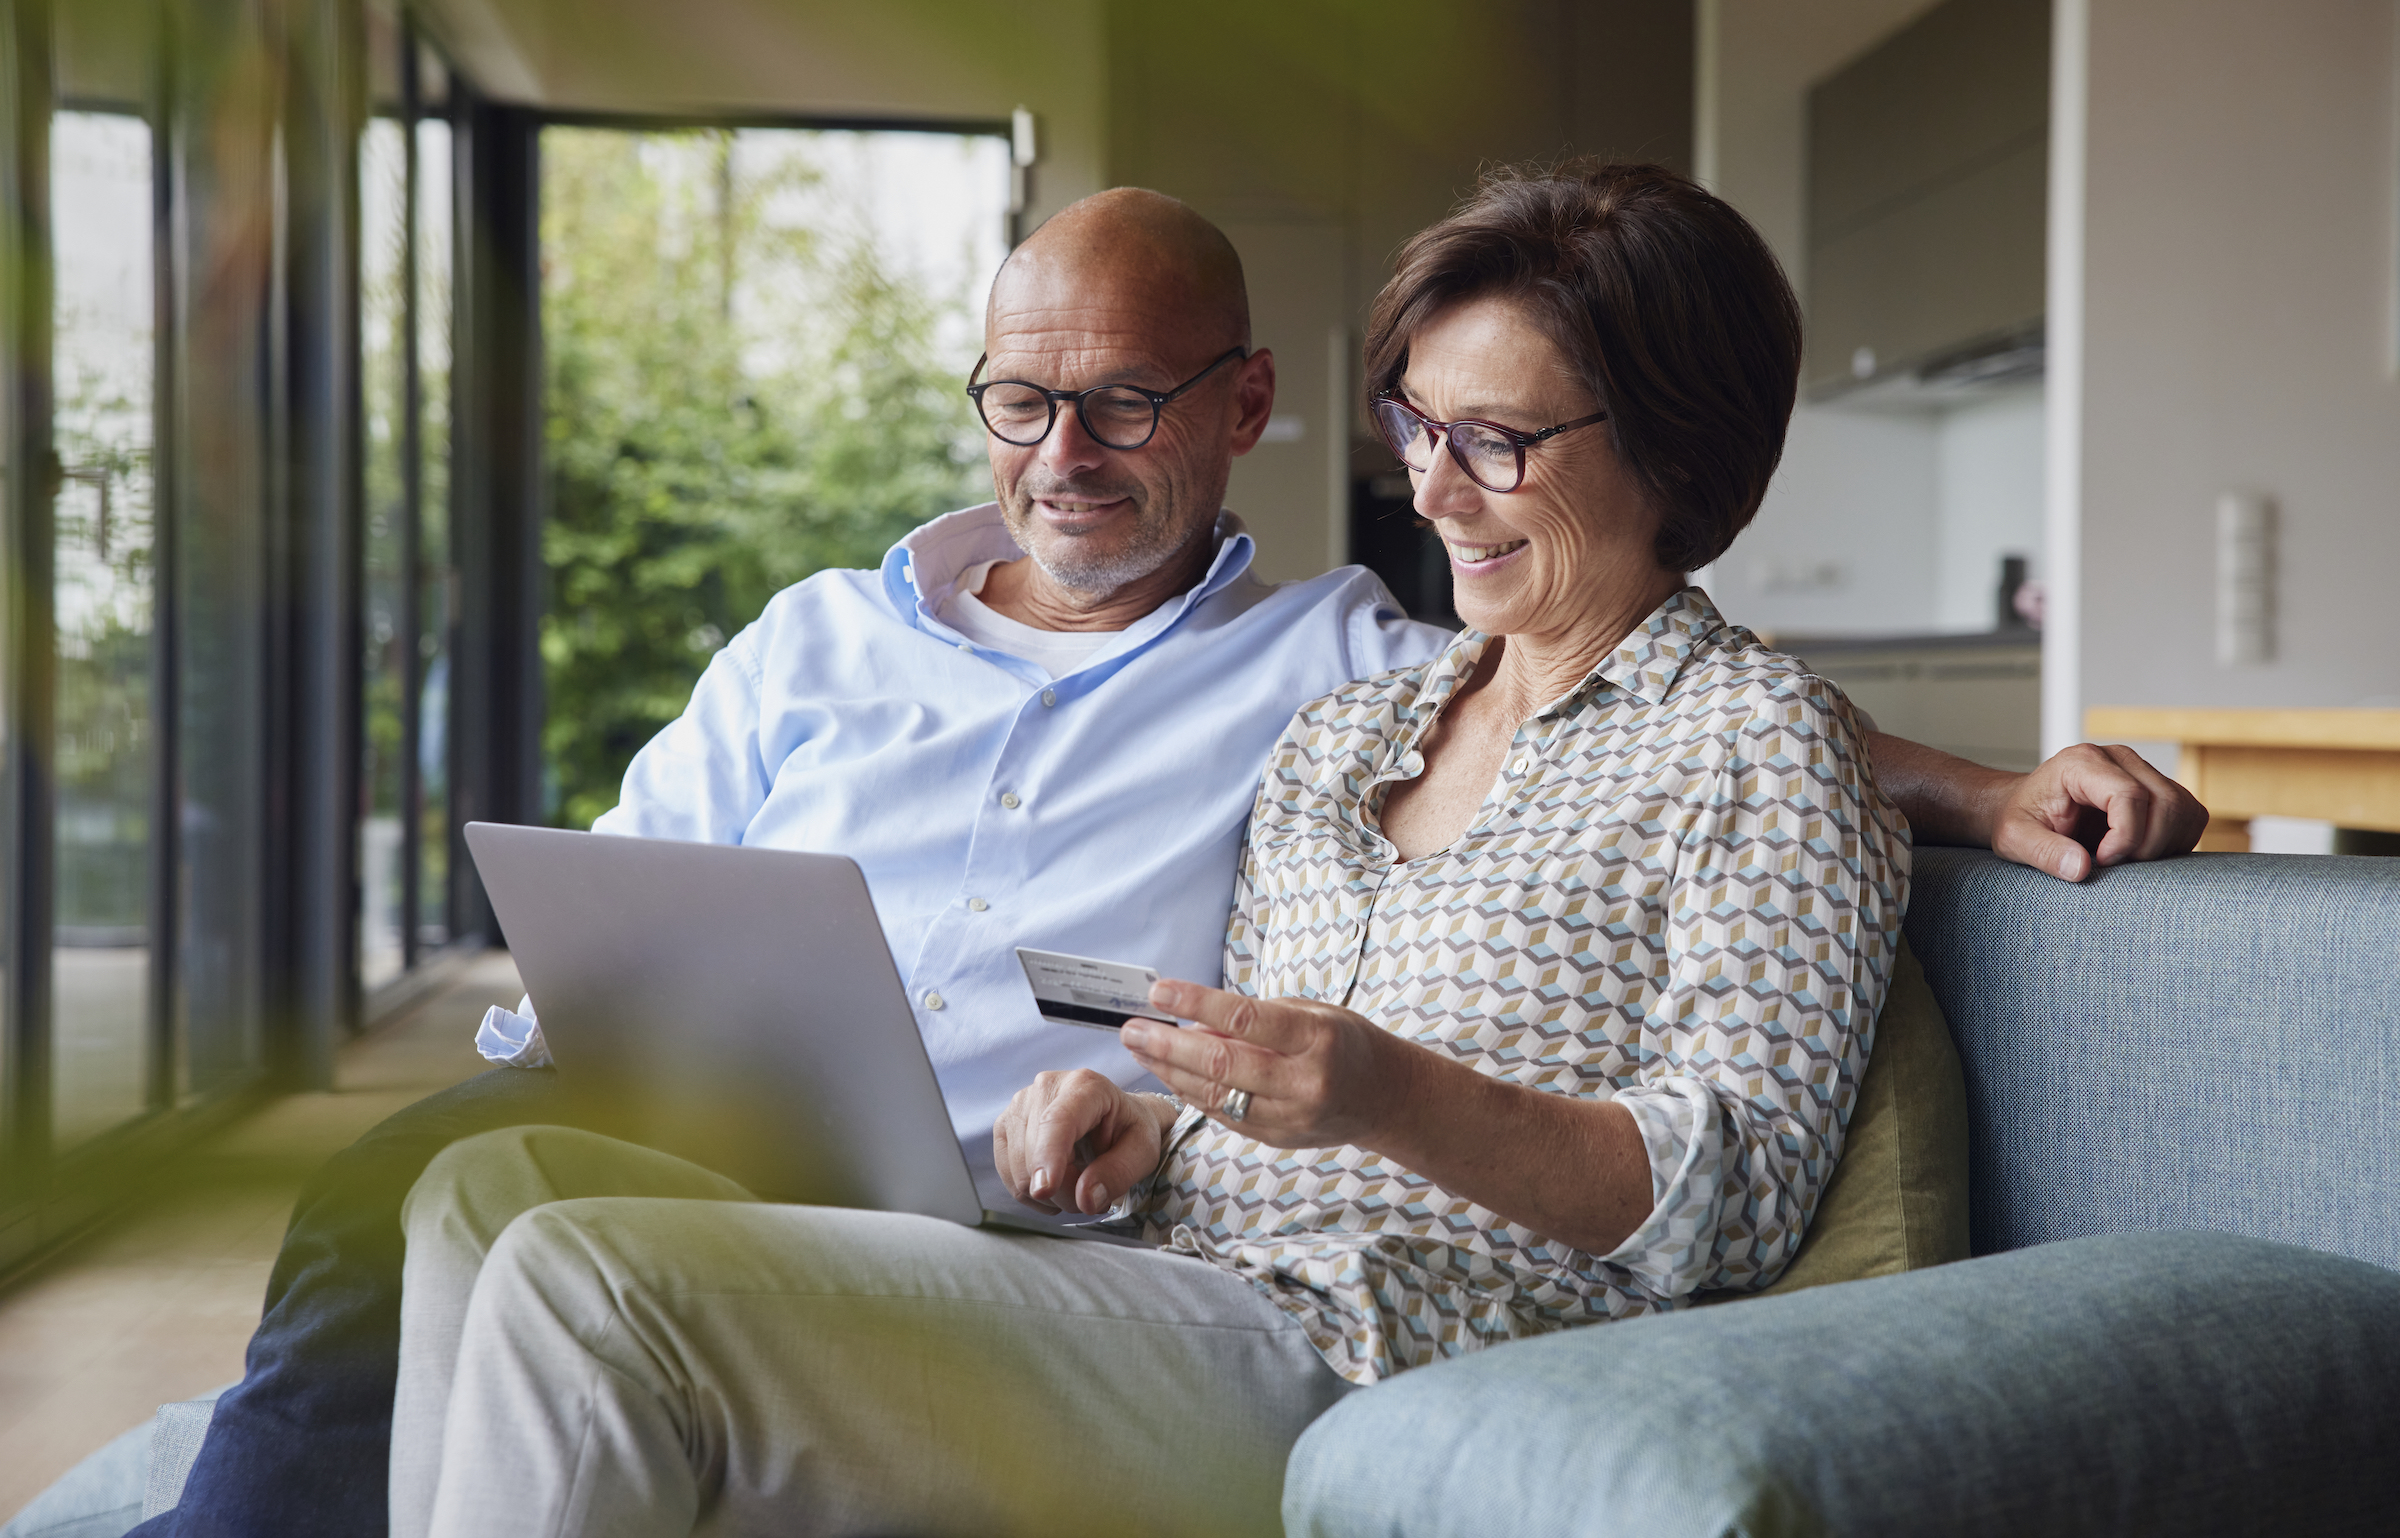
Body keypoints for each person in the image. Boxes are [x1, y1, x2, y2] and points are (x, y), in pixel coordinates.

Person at [116, 182, 2201, 1538]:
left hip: (1375, 1333)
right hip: (1130, 1242)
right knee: (471, 1190)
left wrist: (1983, 785)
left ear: (1677, 445)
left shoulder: (1726, 747)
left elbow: (1715, 1186)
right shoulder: (1368, 721)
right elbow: (1240, 1048)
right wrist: (1136, 1103)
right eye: (1424, 431)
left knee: (576, 1280)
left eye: (1504, 441)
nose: (1444, 490)